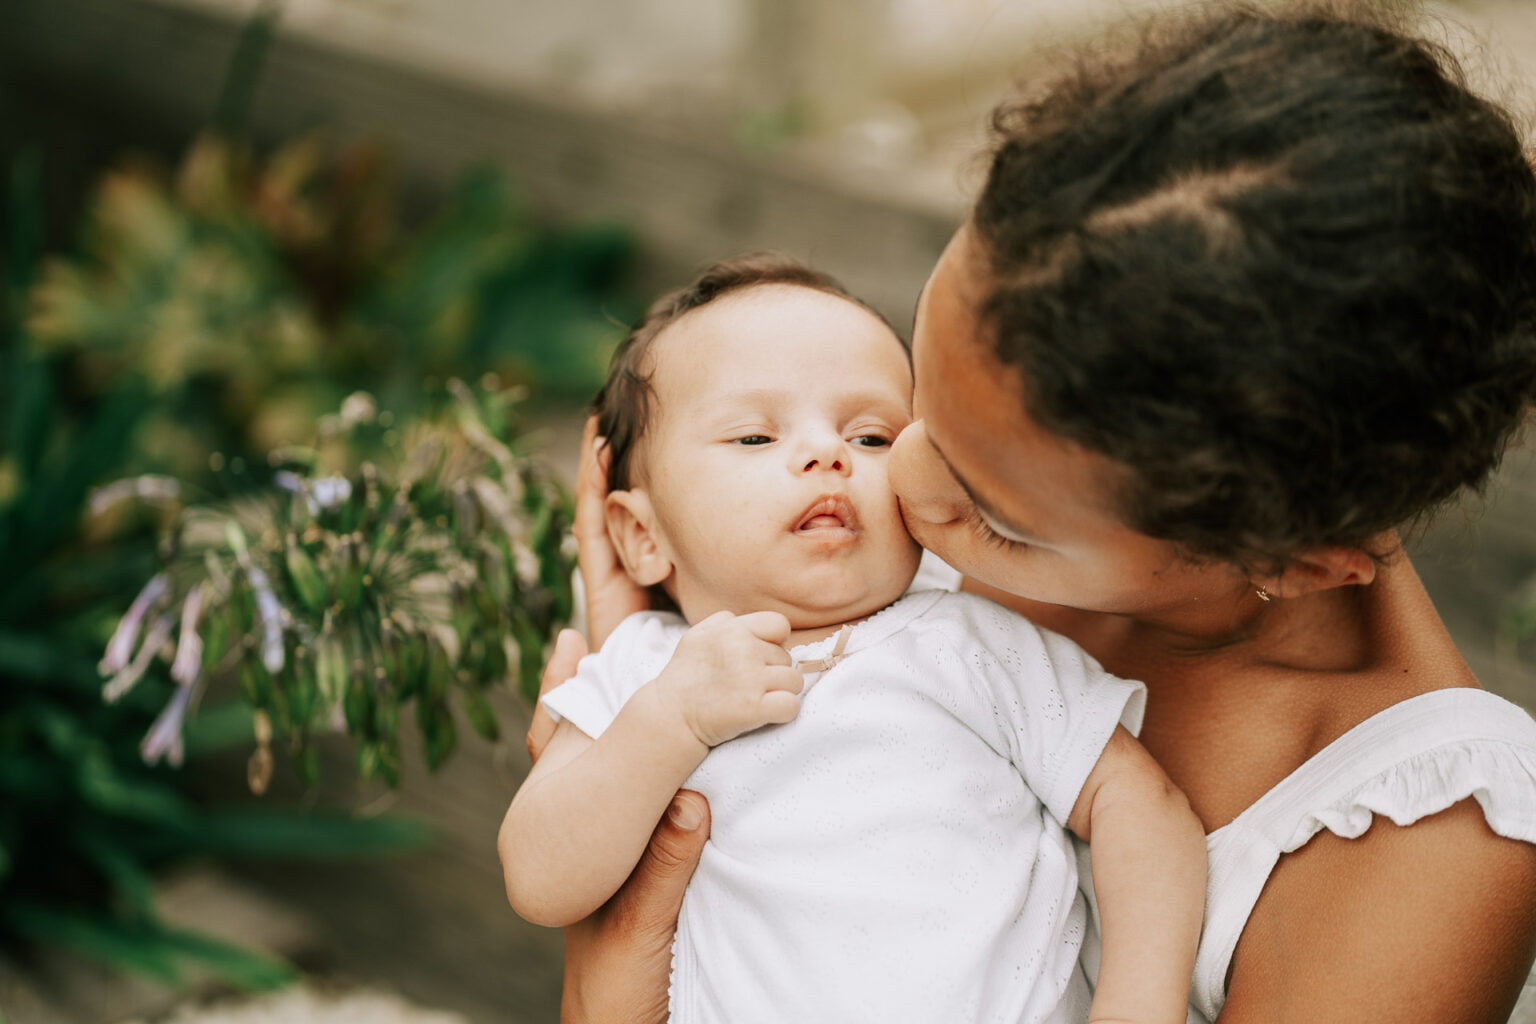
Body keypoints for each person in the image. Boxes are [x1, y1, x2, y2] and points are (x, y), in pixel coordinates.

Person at [526, 2, 1536, 1021]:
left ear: (1296, 558)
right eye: (917, 408)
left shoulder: (1424, 848)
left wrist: (615, 964)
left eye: (993, 513)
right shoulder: (822, 566)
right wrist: (658, 657)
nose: (904, 491)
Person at [499, 255, 1207, 1024]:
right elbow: (540, 880)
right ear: (641, 535)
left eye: (871, 437)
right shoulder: (643, 670)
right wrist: (668, 722)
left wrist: (1138, 1000)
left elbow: (1143, 806)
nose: (827, 454)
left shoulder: (975, 646)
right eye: (753, 436)